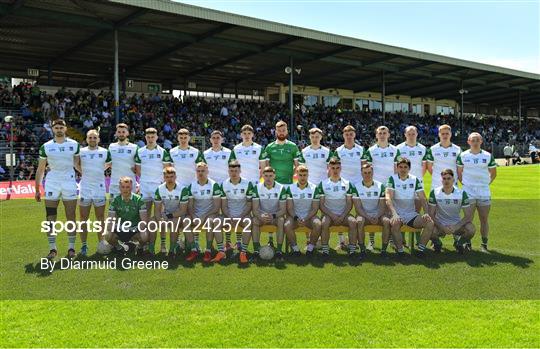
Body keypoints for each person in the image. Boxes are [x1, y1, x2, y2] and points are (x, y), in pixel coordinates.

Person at [34, 119, 80, 259]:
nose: (59, 129)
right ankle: (52, 249)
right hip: (52, 183)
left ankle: (71, 248)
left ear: (65, 129)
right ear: (52, 129)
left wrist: (91, 176)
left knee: (71, 216)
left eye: (61, 127)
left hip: (69, 183)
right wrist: (37, 188)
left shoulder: (74, 144)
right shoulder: (46, 146)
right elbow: (41, 169)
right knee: (50, 217)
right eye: (56, 127)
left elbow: (78, 165)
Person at [260, 121, 301, 245]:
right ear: (276, 132)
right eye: (279, 130)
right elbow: (266, 167)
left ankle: (289, 240)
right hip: (274, 185)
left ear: (287, 131)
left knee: (289, 212)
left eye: (283, 130)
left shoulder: (293, 146)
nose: (281, 132)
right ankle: (271, 240)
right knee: (272, 210)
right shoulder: (270, 147)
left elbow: (298, 166)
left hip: (289, 184)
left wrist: (291, 174)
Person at [386, 157, 434, 258]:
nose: (403, 169)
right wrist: (394, 214)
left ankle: (420, 250)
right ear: (397, 168)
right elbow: (388, 198)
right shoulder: (392, 179)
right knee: (395, 223)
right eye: (400, 167)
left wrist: (426, 212)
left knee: (429, 222)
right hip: (397, 213)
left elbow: (422, 197)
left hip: (411, 215)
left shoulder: (414, 179)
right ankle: (400, 252)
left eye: (405, 167)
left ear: (409, 168)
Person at [457, 132, 497, 252]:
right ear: (468, 142)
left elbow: (493, 173)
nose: (475, 142)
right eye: (472, 140)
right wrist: (464, 184)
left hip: (483, 191)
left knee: (484, 219)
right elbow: (459, 172)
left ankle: (484, 244)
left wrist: (485, 184)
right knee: (468, 218)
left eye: (477, 140)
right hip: (468, 191)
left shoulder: (488, 155)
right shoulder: (463, 155)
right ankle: (467, 242)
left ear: (481, 142)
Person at [134, 127, 172, 254]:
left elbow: (167, 170)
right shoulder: (140, 151)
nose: (150, 139)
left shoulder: (163, 152)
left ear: (157, 137)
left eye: (153, 137)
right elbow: (138, 171)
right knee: (143, 218)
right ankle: (145, 244)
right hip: (144, 188)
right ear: (145, 137)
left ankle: (162, 244)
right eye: (148, 137)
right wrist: (143, 182)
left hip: (158, 188)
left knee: (159, 217)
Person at [363, 126, 400, 251]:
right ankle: (371, 242)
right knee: (372, 212)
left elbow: (397, 169)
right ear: (376, 135)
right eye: (380, 133)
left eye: (385, 132)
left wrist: (394, 185)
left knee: (389, 213)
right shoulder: (371, 150)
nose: (382, 135)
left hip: (390, 186)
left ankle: (390, 240)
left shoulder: (395, 150)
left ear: (388, 134)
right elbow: (367, 169)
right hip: (375, 186)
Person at [77, 129, 111, 256]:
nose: (92, 139)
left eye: (94, 137)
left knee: (100, 218)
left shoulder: (104, 151)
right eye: (90, 137)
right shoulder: (81, 151)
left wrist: (100, 169)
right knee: (83, 218)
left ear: (98, 139)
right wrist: (83, 172)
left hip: (99, 188)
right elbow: (76, 163)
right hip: (85, 188)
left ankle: (101, 242)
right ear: (86, 139)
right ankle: (84, 245)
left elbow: (110, 163)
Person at [333, 125, 366, 250]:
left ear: (354, 135)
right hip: (343, 185)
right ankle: (341, 241)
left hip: (358, 184)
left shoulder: (361, 149)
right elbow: (334, 168)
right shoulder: (338, 150)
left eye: (351, 134)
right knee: (340, 211)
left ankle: (358, 241)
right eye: (346, 134)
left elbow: (364, 167)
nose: (349, 136)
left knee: (360, 212)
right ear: (343, 135)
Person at [318, 157, 358, 260]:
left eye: (337, 168)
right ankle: (325, 251)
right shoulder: (323, 184)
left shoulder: (348, 184)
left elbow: (349, 204)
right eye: (333, 168)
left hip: (343, 214)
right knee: (324, 223)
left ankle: (352, 250)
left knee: (353, 222)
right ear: (329, 168)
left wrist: (342, 215)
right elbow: (321, 205)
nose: (335, 170)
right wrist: (333, 215)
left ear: (341, 168)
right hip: (329, 215)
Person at [428, 169, 475, 254]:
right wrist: (442, 227)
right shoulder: (434, 192)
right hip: (440, 223)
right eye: (444, 178)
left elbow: (468, 215)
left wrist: (456, 227)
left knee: (471, 229)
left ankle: (459, 243)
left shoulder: (461, 193)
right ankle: (437, 244)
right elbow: (431, 214)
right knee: (429, 230)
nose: (446, 181)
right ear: (441, 180)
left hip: (456, 223)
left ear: (453, 180)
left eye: (449, 178)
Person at [184, 162, 223, 263]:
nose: (200, 173)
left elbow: (216, 206)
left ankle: (208, 250)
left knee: (210, 221)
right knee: (186, 221)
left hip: (210, 214)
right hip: (196, 214)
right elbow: (190, 206)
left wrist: (204, 217)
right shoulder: (191, 186)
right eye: (198, 171)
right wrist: (194, 216)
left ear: (207, 172)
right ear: (196, 172)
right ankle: (194, 249)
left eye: (203, 171)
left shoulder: (214, 185)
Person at [250, 166, 288, 262]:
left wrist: (273, 215)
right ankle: (256, 251)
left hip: (275, 216)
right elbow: (254, 209)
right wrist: (261, 216)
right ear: (262, 176)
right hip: (261, 216)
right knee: (254, 220)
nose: (268, 178)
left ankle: (279, 251)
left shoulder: (281, 188)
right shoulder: (257, 187)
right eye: (266, 176)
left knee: (281, 220)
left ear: (274, 176)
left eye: (270, 176)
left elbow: (283, 210)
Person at [352, 163, 390, 258]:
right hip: (363, 214)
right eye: (365, 173)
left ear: (373, 173)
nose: (367, 175)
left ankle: (384, 251)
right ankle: (363, 250)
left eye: (369, 172)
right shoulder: (356, 187)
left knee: (386, 221)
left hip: (378, 214)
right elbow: (358, 208)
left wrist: (376, 216)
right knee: (359, 221)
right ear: (361, 173)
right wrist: (368, 217)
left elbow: (382, 206)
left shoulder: (380, 186)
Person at [284, 165, 322, 257]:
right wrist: (297, 218)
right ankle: (296, 249)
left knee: (318, 224)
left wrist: (305, 218)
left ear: (308, 175)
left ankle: (310, 249)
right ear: (296, 175)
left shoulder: (314, 188)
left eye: (305, 175)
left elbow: (315, 208)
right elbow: (289, 208)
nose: (302, 177)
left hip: (309, 217)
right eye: (300, 175)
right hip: (294, 217)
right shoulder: (290, 188)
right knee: (287, 225)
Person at [220, 160, 254, 264]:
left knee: (248, 223)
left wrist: (241, 216)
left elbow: (249, 203)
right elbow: (223, 205)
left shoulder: (247, 184)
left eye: (236, 170)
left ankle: (243, 252)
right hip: (228, 215)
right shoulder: (224, 184)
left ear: (240, 171)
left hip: (243, 215)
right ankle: (222, 249)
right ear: (228, 172)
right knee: (216, 222)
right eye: (231, 171)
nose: (234, 173)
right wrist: (229, 216)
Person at [104, 177, 148, 254]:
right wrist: (109, 229)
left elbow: (144, 221)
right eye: (123, 187)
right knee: (107, 235)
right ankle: (119, 247)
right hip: (120, 228)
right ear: (119, 188)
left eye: (128, 187)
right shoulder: (115, 200)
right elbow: (110, 219)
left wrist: (139, 229)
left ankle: (139, 247)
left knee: (145, 236)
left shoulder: (139, 200)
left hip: (134, 228)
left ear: (131, 188)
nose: (125, 189)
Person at [154, 167, 189, 259]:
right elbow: (157, 210)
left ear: (176, 177)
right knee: (152, 222)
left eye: (172, 176)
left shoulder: (183, 189)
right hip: (166, 213)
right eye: (167, 177)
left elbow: (183, 210)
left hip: (179, 215)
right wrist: (160, 219)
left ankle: (172, 249)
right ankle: (160, 246)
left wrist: (168, 216)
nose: (170, 179)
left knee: (174, 222)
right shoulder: (159, 189)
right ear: (164, 178)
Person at [107, 123, 138, 199]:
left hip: (130, 184)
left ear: (127, 133)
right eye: (119, 132)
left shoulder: (134, 147)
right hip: (115, 184)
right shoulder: (111, 147)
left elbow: (139, 164)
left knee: (131, 210)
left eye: (123, 132)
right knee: (113, 210)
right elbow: (108, 163)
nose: (121, 134)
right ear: (116, 133)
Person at [426, 124, 461, 190]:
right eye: (443, 134)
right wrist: (437, 177)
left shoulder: (458, 149)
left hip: (453, 183)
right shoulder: (433, 149)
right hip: (436, 183)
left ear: (450, 134)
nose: (445, 135)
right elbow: (429, 168)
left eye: (447, 133)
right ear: (439, 134)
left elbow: (460, 168)